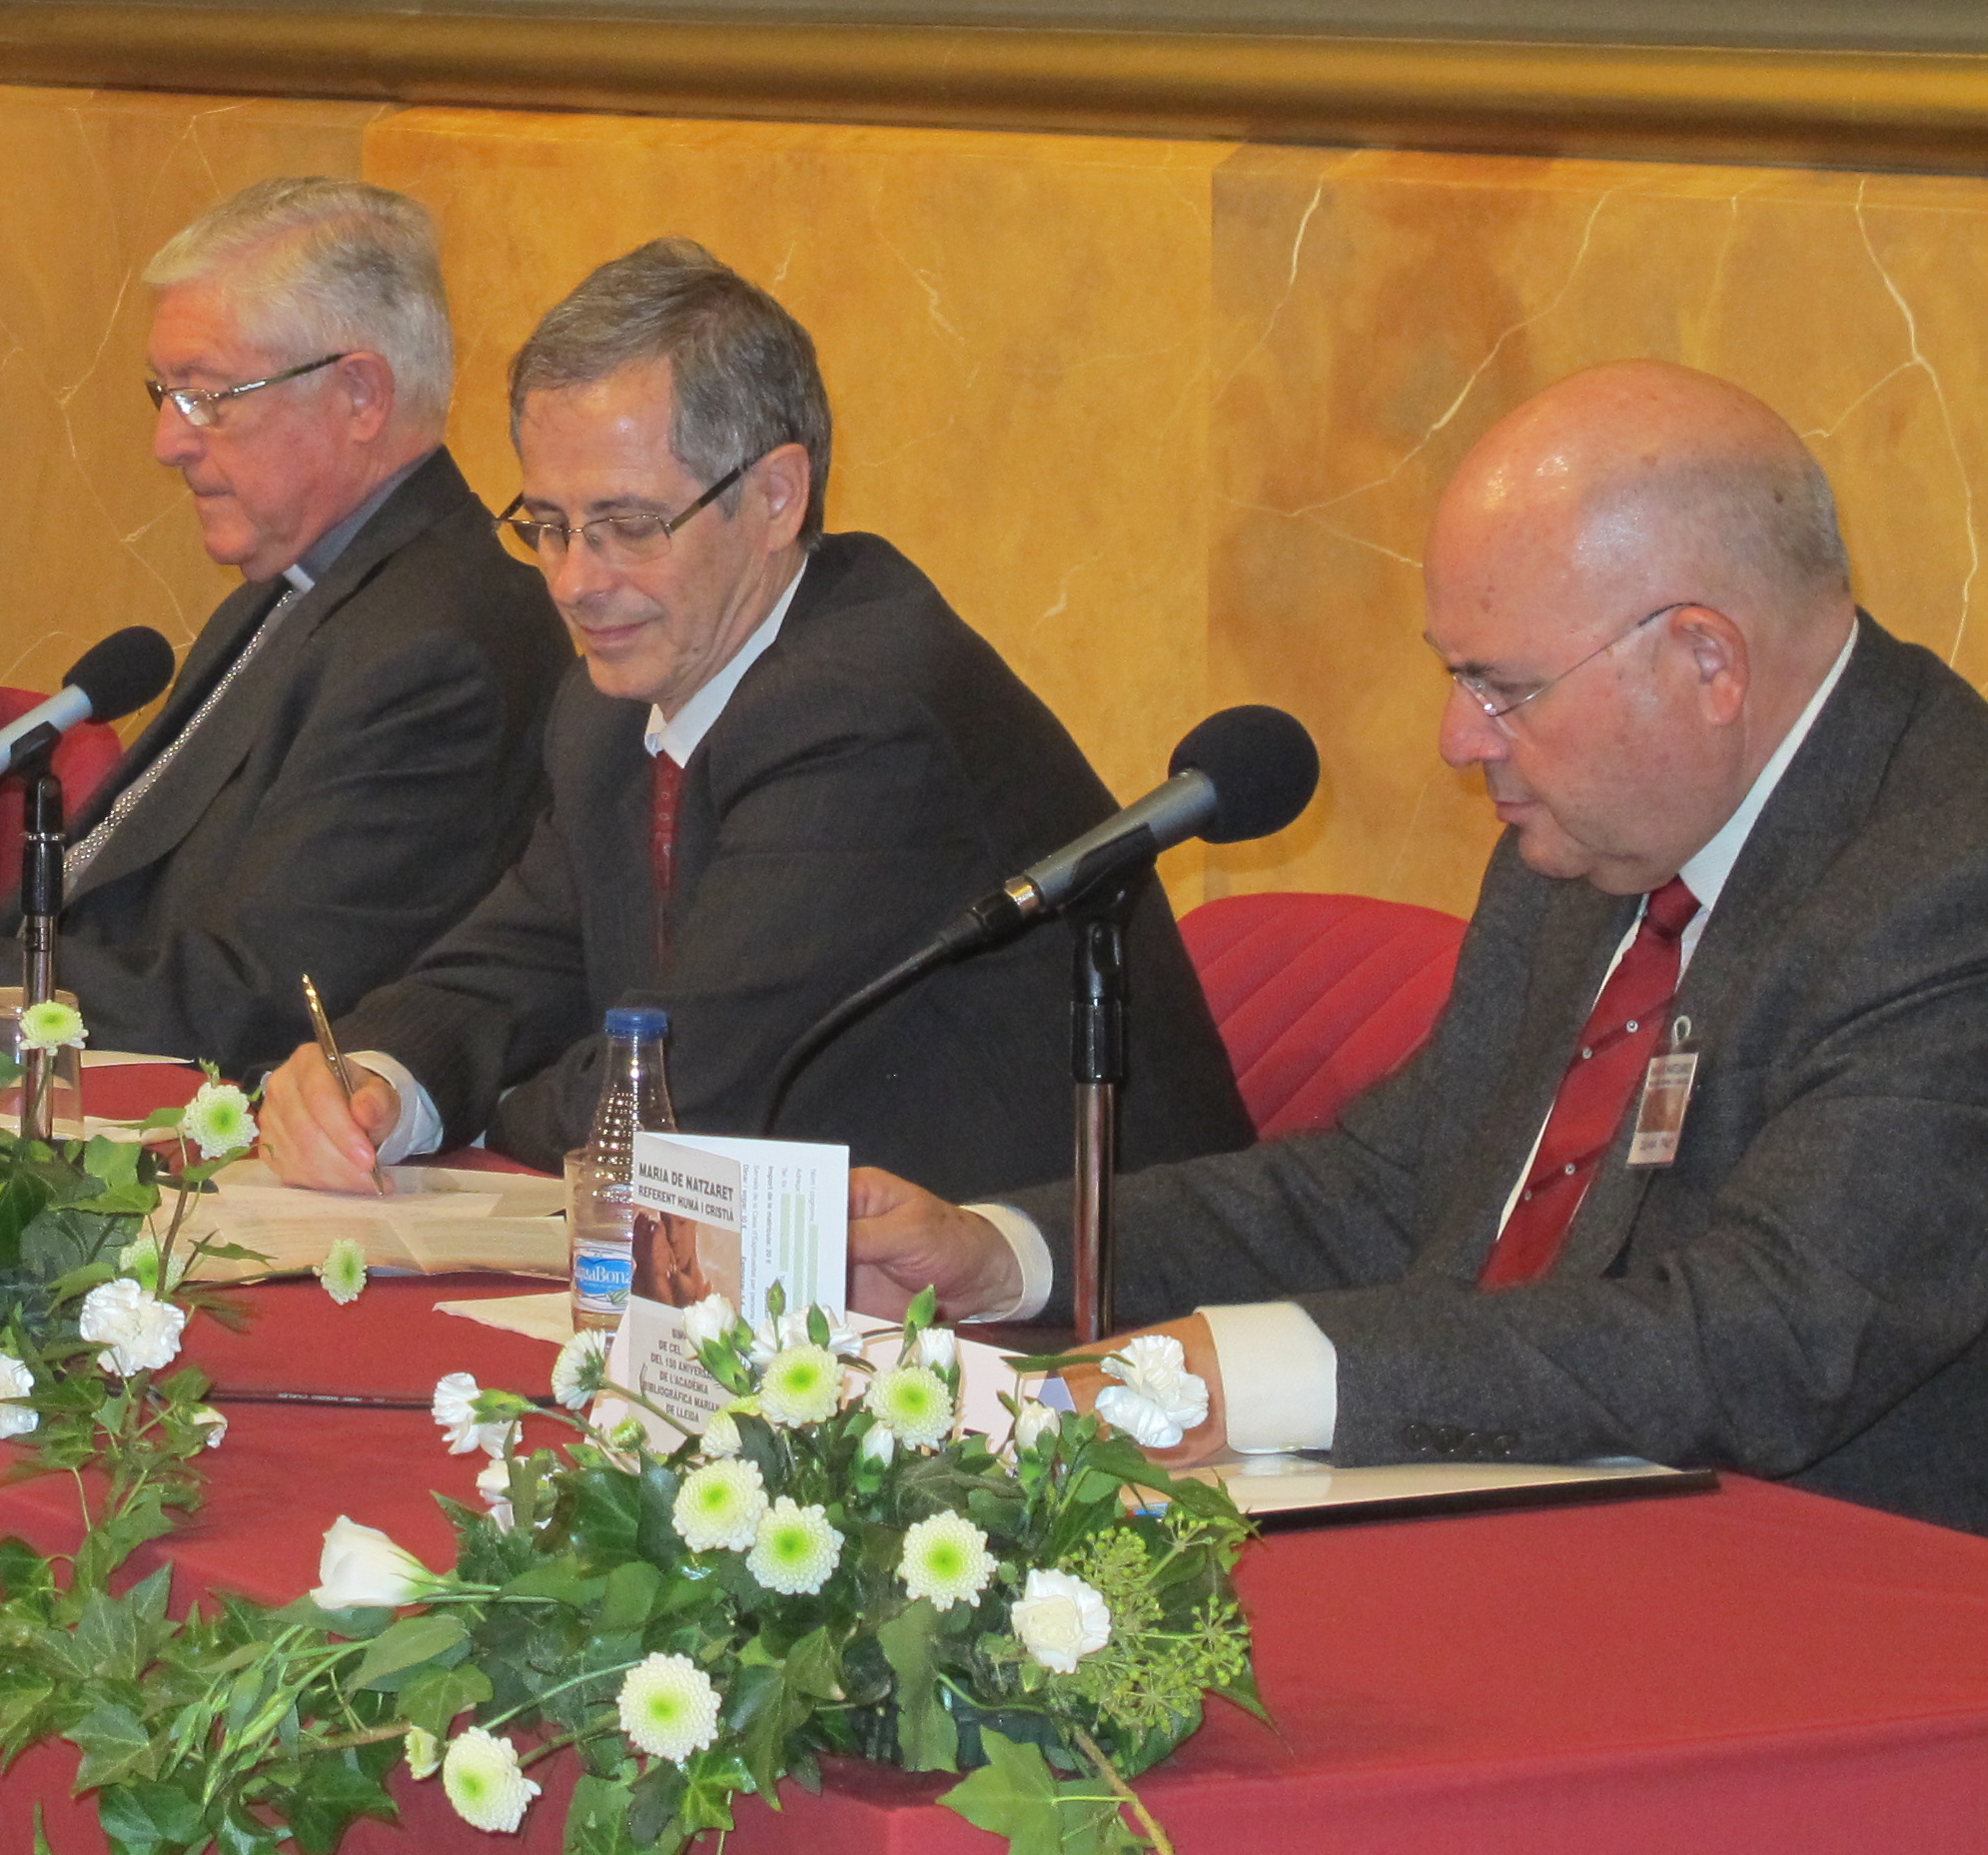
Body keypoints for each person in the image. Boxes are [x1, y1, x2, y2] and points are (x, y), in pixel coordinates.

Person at [846, 363, 1988, 1532]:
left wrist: (1261, 1374)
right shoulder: (1592, 837)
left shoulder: (1952, 877)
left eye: (1502, 687)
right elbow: (1387, 1188)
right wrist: (1004, 1254)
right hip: (1529, 1520)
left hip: (1822, 1572)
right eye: (1456, 676)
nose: (1456, 739)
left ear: (1707, 662)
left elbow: (1769, 1336)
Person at [258, 239, 1253, 1189]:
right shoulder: (614, 702)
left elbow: (681, 1095)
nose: (573, 582)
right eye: (550, 526)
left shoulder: (863, 713)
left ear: (777, 497)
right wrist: (379, 1080)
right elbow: (511, 965)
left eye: (628, 526)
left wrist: (478, 1114)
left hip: (1068, 1279)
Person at [0, 178, 567, 1076]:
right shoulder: (293, 591)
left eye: (207, 395)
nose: (167, 442)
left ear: (360, 395)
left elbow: (261, 1005)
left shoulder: (444, 647)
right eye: (164, 393)